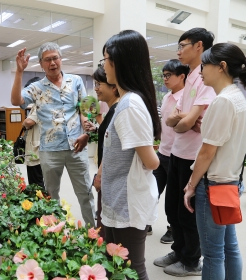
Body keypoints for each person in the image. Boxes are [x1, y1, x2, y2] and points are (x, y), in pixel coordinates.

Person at [10, 42, 96, 226]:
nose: (52, 63)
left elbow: (84, 109)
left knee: (86, 193)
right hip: (49, 151)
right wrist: (19, 72)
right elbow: (16, 100)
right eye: (47, 60)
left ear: (61, 59)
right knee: (51, 196)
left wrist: (86, 126)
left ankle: (94, 233)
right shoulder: (37, 88)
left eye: (55, 58)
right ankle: (55, 235)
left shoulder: (76, 81)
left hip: (76, 147)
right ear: (41, 64)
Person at [99, 30, 161, 280]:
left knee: (133, 269)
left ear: (118, 61)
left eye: (105, 59)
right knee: (118, 267)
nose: (103, 66)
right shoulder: (127, 102)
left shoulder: (129, 106)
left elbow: (151, 161)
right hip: (118, 200)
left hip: (128, 203)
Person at [154, 27, 216, 277]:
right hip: (176, 153)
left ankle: (191, 261)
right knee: (173, 209)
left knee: (188, 211)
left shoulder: (206, 77)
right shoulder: (190, 76)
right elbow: (173, 120)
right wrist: (184, 121)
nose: (179, 51)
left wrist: (183, 121)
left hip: (194, 155)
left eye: (183, 46)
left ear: (199, 46)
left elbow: (186, 122)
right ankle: (179, 251)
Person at [184, 43, 246, 280]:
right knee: (229, 247)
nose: (201, 71)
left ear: (221, 67)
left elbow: (207, 153)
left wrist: (191, 185)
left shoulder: (223, 101)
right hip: (231, 182)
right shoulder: (240, 97)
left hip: (212, 186)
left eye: (204, 65)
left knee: (212, 253)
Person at [152, 59, 190, 243]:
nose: (165, 79)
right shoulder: (167, 97)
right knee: (151, 190)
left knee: (174, 198)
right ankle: (146, 221)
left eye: (168, 75)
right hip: (162, 152)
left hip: (178, 155)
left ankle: (172, 229)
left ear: (181, 76)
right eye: (164, 75)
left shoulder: (187, 98)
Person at [83, 66, 119, 240]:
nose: (96, 88)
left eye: (99, 84)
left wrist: (99, 175)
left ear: (114, 86)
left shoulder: (119, 109)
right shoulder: (112, 109)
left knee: (106, 222)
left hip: (110, 176)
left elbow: (112, 148)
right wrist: (97, 125)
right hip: (107, 174)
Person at [22, 77, 45, 188]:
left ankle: (42, 203)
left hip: (37, 152)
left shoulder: (41, 104)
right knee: (34, 182)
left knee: (37, 184)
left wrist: (24, 123)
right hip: (35, 149)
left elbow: (29, 121)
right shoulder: (37, 104)